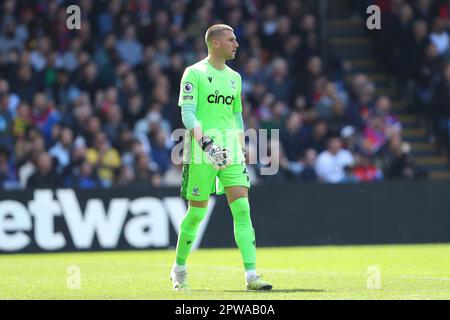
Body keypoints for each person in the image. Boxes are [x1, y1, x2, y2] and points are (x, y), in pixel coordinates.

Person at [170, 24, 272, 291]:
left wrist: (240, 145)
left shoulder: (235, 78)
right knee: (196, 214)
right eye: (231, 39)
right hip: (202, 153)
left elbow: (236, 115)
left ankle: (251, 276)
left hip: (231, 153)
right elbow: (188, 114)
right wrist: (206, 144)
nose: (236, 44)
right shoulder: (194, 73)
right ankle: (179, 268)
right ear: (215, 43)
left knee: (242, 209)